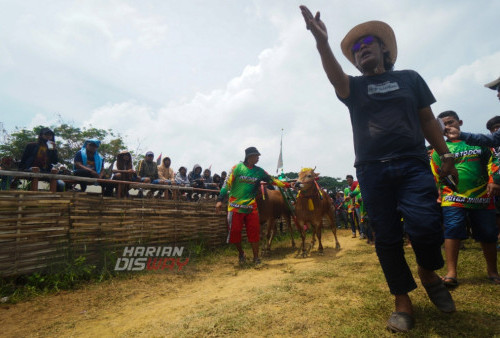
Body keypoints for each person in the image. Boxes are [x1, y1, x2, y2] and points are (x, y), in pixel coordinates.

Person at [300, 8, 458, 332]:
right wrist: (321, 43)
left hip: (413, 164)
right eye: (355, 49)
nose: (361, 49)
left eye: (368, 42)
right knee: (386, 237)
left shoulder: (410, 79)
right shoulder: (353, 88)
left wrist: (445, 155)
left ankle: (428, 273)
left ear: (384, 49)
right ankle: (402, 301)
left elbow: (428, 120)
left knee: (427, 225)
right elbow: (334, 76)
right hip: (372, 171)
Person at [431, 111, 500, 286]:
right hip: (453, 198)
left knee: (488, 234)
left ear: (460, 122)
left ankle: (493, 272)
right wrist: (438, 193)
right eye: (443, 124)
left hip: (483, 197)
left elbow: (494, 162)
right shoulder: (439, 150)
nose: (447, 127)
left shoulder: (479, 143)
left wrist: (494, 181)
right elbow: (436, 175)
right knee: (452, 230)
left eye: (451, 122)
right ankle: (451, 273)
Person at [215, 147, 289, 266]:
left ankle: (256, 258)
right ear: (249, 157)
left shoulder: (259, 171)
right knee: (234, 233)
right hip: (235, 207)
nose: (258, 158)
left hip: (251, 208)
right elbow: (226, 184)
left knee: (254, 233)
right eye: (256, 156)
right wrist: (219, 200)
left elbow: (272, 180)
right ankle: (241, 253)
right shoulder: (236, 168)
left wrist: (287, 185)